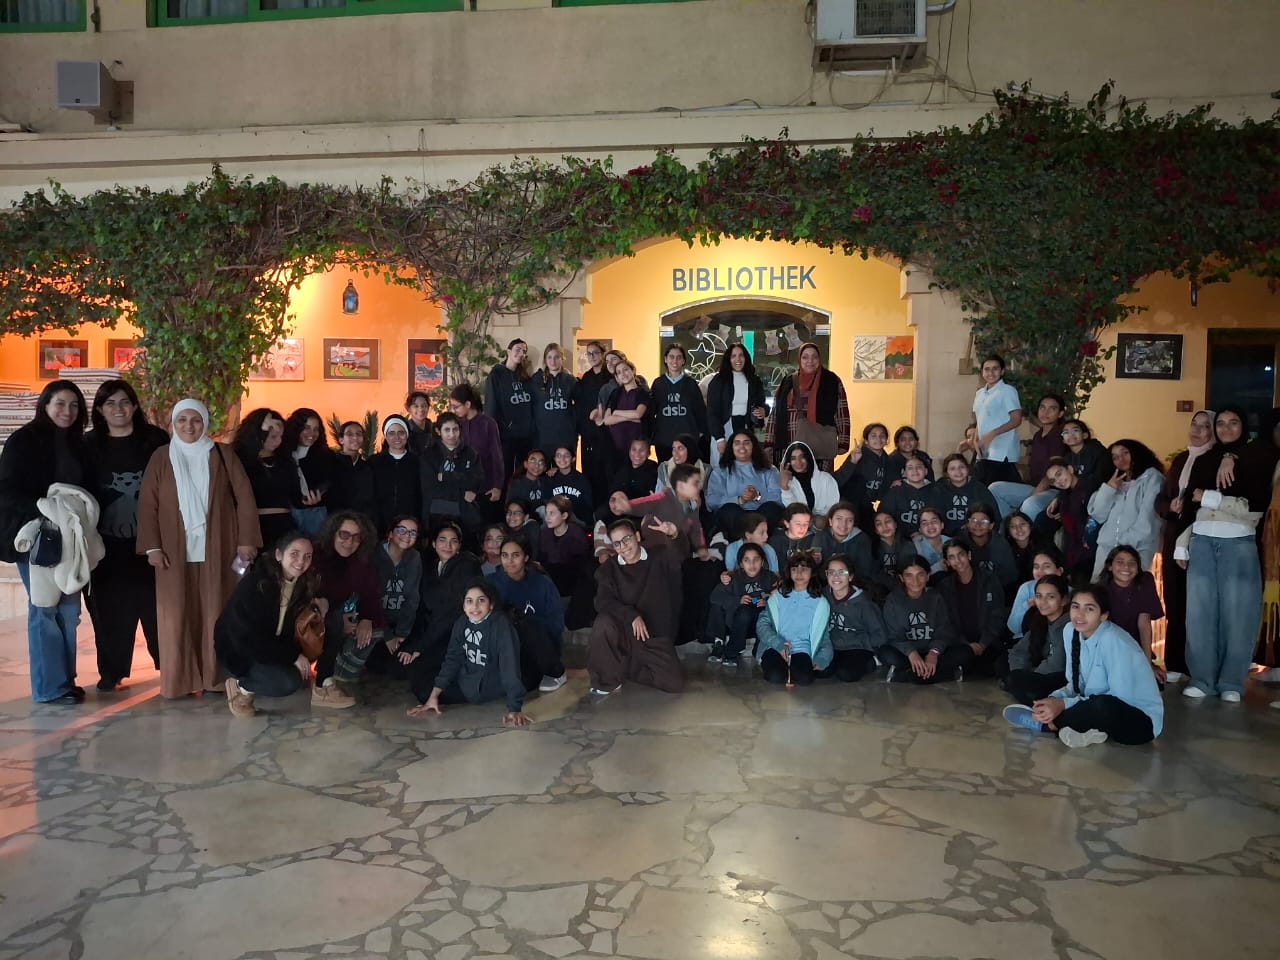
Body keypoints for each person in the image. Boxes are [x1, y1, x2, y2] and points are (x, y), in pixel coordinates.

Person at [138, 398, 261, 699]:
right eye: (182, 420)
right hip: (173, 550)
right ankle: (179, 681)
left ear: (205, 422)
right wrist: (152, 547)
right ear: (173, 424)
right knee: (176, 615)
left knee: (216, 612)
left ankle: (216, 678)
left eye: (195, 420)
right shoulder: (161, 457)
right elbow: (148, 505)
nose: (189, 426)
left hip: (219, 545)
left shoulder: (222, 454)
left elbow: (244, 497)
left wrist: (246, 540)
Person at [0, 380, 96, 704]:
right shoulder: (23, 441)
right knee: (44, 609)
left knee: (69, 611)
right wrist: (45, 507)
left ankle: (64, 681)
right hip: (37, 537)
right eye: (60, 404)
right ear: (45, 405)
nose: (67, 411)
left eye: (74, 405)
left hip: (70, 539)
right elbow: (6, 489)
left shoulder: (79, 444)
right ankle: (49, 688)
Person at [1176, 406, 1278, 702]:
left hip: (1239, 543)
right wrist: (1182, 542)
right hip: (1202, 541)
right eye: (1220, 423)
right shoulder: (1206, 459)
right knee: (1199, 615)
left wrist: (1210, 498)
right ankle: (1202, 679)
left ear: (1245, 426)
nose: (1226, 428)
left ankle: (1231, 682)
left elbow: (1256, 506)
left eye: (1234, 422)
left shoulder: (1259, 457)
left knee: (1239, 616)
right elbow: (1190, 503)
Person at [82, 379, 169, 692]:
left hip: (153, 543)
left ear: (134, 406)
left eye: (124, 402)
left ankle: (172, 668)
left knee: (160, 609)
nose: (118, 409)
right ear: (100, 410)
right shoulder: (88, 445)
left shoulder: (155, 440)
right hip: (105, 545)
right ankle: (112, 671)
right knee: (109, 611)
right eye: (110, 403)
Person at [1003, 583, 1163, 748]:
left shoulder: (1113, 640)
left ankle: (1047, 724)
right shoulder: (1070, 631)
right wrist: (1053, 699)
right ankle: (1066, 721)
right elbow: (1075, 685)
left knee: (1103, 706)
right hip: (1090, 700)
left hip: (1137, 720)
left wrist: (1062, 705)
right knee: (1017, 679)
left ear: (1103, 615)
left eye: (1089, 609)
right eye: (1075, 607)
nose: (1080, 615)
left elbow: (1118, 698)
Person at [216, 530, 318, 717]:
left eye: (307, 556)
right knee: (286, 683)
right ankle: (241, 687)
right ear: (279, 555)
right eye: (294, 554)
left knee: (298, 678)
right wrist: (293, 655)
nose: (301, 561)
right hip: (241, 650)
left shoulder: (303, 585)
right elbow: (251, 637)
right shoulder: (257, 583)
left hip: (269, 647)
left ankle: (253, 681)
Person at [407, 581, 533, 727]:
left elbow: (509, 666)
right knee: (423, 689)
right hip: (468, 682)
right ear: (463, 606)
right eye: (469, 601)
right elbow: (452, 659)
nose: (475, 607)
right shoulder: (462, 623)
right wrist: (433, 696)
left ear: (491, 604)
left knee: (526, 676)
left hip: (493, 683)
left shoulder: (501, 626)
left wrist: (514, 708)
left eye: (481, 600)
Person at [587, 517, 685, 697]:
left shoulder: (659, 557)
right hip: (624, 632)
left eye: (627, 539)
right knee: (603, 623)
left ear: (637, 537)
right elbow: (603, 601)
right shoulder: (608, 569)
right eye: (617, 544)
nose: (623, 547)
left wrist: (674, 535)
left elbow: (679, 554)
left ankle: (627, 667)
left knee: (674, 684)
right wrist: (631, 615)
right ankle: (607, 680)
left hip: (653, 636)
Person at [1154, 409, 1215, 684]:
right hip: (1173, 536)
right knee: (1175, 601)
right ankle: (1175, 662)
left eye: (1205, 426)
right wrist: (1170, 506)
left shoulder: (1215, 461)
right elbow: (1161, 500)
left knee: (1197, 603)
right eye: (1194, 424)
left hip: (1199, 536)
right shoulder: (1181, 459)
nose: (1197, 431)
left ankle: (1197, 666)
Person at [312, 510, 384, 705]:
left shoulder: (361, 561)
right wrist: (323, 609)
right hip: (308, 615)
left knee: (374, 630)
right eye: (344, 534)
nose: (349, 542)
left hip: (338, 614)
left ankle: (340, 671)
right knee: (335, 622)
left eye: (356, 537)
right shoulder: (316, 555)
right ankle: (323, 684)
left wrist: (367, 619)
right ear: (333, 533)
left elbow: (371, 593)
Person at [408, 522, 484, 683]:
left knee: (422, 678)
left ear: (459, 545)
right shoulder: (431, 569)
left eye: (453, 541)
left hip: (457, 633)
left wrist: (421, 646)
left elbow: (451, 612)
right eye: (442, 540)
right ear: (433, 544)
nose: (448, 546)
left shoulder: (466, 566)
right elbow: (423, 609)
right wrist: (413, 641)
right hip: (434, 631)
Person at [487, 537, 567, 692]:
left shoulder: (542, 583)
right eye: (505, 555)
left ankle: (555, 672)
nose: (510, 561)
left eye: (515, 555)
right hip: (505, 647)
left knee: (527, 624)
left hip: (538, 646)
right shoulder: (491, 583)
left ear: (526, 557)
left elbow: (556, 623)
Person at [880, 558, 971, 683]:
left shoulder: (936, 598)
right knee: (886, 653)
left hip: (933, 651)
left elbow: (944, 630)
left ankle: (906, 675)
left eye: (920, 575)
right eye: (909, 576)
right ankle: (946, 674)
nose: (915, 581)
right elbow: (894, 635)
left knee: (965, 652)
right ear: (902, 578)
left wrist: (933, 653)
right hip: (906, 654)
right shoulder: (893, 601)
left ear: (928, 576)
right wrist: (911, 653)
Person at [1088, 439, 1165, 578]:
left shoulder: (1152, 477)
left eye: (1125, 453)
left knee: (1131, 587)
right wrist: (1109, 489)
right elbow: (1098, 515)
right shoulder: (1113, 481)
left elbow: (1148, 518)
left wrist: (1123, 546)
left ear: (1136, 453)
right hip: (1107, 549)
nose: (1121, 459)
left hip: (1138, 548)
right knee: (1101, 588)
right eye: (1115, 457)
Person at [768, 341, 850, 471]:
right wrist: (769, 442)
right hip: (790, 444)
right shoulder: (788, 381)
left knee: (820, 481)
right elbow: (775, 414)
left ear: (819, 359)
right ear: (799, 359)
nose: (810, 361)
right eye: (805, 357)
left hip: (819, 444)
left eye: (814, 357)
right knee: (791, 481)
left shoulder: (831, 381)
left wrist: (843, 442)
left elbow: (841, 411)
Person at [757, 552, 832, 686]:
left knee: (804, 679)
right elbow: (762, 625)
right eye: (794, 569)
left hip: (802, 649)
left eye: (804, 569)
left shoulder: (821, 603)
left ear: (812, 573)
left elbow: (824, 636)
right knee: (775, 676)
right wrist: (778, 644)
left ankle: (792, 670)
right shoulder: (778, 597)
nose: (799, 573)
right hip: (775, 646)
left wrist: (822, 659)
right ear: (789, 572)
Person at [936, 540, 1008, 677]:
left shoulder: (989, 579)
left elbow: (998, 615)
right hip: (960, 645)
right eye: (952, 557)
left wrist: (983, 643)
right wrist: (966, 644)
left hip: (988, 643)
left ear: (968, 555)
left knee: (996, 665)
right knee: (962, 656)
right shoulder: (944, 587)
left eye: (961, 555)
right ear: (947, 562)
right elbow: (946, 622)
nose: (958, 560)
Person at [990, 393, 1066, 521]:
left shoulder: (1059, 436)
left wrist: (1034, 494)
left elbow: (1053, 472)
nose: (1046, 412)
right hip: (1034, 487)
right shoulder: (1038, 435)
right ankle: (1007, 529)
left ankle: (1023, 531)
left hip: (1053, 490)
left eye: (1052, 409)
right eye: (1042, 407)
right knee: (995, 488)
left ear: (1060, 414)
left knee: (1030, 504)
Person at [1098, 544, 1164, 680]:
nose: (1126, 567)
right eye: (1120, 562)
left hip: (1136, 650)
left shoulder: (1145, 582)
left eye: (1132, 563)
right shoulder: (1100, 591)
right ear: (1110, 567)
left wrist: (1147, 664)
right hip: (1109, 651)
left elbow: (1144, 624)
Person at [1004, 573, 1070, 705]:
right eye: (1039, 596)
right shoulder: (1040, 620)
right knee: (1004, 665)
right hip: (1038, 673)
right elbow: (1018, 651)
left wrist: (1030, 675)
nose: (1043, 602)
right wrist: (1021, 671)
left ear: (1063, 600)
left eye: (1050, 597)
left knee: (1014, 680)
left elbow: (1058, 663)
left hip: (1061, 677)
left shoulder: (1068, 625)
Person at [234, 407, 294, 548]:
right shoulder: (239, 460)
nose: (278, 441)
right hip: (253, 526)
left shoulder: (285, 461)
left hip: (284, 526)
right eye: (273, 436)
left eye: (281, 436)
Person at [822, 553, 887, 681]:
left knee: (846, 674)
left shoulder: (864, 603)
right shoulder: (824, 595)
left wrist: (859, 642)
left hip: (857, 647)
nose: (836, 576)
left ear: (850, 576)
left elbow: (880, 636)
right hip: (833, 646)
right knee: (821, 671)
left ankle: (872, 662)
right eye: (831, 572)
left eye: (842, 572)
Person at [708, 542, 774, 666]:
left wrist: (769, 601)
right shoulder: (733, 578)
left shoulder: (770, 578)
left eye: (756, 560)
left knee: (764, 613)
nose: (752, 564)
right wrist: (737, 600)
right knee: (744, 611)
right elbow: (715, 597)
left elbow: (781, 595)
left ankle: (760, 649)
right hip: (737, 624)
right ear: (741, 564)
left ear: (762, 561)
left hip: (759, 625)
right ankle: (732, 651)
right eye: (747, 560)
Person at [419, 412, 485, 534]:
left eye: (455, 429)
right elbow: (429, 488)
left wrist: (445, 477)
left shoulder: (470, 453)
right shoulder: (429, 455)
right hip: (436, 512)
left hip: (465, 514)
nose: (452, 434)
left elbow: (476, 481)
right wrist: (462, 492)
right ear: (438, 431)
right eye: (447, 430)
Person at [705, 430, 784, 534]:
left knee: (772, 509)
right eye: (737, 443)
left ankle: (759, 537)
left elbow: (778, 498)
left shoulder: (768, 470)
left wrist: (757, 497)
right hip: (734, 517)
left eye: (746, 443)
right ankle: (741, 541)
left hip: (761, 515)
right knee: (729, 510)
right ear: (731, 447)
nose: (742, 447)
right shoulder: (720, 471)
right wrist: (739, 500)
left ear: (753, 446)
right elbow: (712, 501)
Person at [374, 516, 424, 669]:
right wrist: (387, 634)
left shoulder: (414, 558)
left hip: (400, 624)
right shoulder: (374, 555)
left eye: (412, 532)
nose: (407, 535)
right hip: (375, 623)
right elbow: (370, 600)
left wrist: (402, 633)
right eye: (402, 530)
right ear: (390, 534)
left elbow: (412, 599)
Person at [967, 354, 1023, 486]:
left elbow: (1016, 419)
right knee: (980, 489)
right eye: (987, 369)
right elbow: (980, 419)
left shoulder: (1007, 391)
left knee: (998, 490)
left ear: (1002, 371)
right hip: (984, 452)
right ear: (982, 372)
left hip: (1002, 451)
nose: (990, 373)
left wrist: (993, 434)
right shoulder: (980, 393)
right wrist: (975, 438)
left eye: (995, 369)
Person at [484, 338, 535, 483]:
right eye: (518, 349)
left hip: (525, 436)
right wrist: (495, 433)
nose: (521, 353)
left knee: (524, 474)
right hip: (506, 436)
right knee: (505, 473)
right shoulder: (496, 375)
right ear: (508, 351)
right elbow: (491, 407)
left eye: (524, 351)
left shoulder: (525, 377)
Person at [706, 343, 768, 459]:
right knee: (723, 466)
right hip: (724, 429)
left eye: (741, 355)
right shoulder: (719, 381)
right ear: (728, 359)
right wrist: (719, 438)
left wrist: (763, 410)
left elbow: (761, 403)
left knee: (746, 464)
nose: (738, 359)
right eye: (733, 356)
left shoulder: (754, 380)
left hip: (746, 428)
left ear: (746, 358)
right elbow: (712, 412)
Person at [651, 343, 709, 463]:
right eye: (671, 357)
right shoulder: (658, 384)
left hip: (688, 442)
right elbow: (651, 412)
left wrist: (700, 434)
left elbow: (700, 412)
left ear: (683, 361)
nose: (675, 361)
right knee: (666, 472)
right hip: (664, 441)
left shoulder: (691, 384)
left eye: (679, 357)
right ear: (665, 359)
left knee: (688, 472)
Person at [449, 384, 504, 508]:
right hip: (462, 485)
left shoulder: (488, 424)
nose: (453, 410)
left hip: (485, 485)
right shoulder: (456, 424)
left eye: (456, 407)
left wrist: (497, 485)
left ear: (467, 404)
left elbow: (496, 456)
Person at [283, 407, 335, 536]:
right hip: (286, 515)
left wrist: (318, 496)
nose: (312, 433)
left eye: (316, 429)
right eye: (306, 428)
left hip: (315, 515)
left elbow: (331, 483)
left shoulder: (326, 455)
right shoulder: (282, 454)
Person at [1044, 458, 1097, 582]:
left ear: (1070, 469)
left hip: (1090, 546)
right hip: (1073, 545)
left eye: (1059, 474)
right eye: (1053, 481)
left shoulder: (1089, 488)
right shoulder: (1065, 494)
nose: (1058, 481)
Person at [370, 414, 423, 536]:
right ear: (386, 436)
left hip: (409, 524)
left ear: (407, 435)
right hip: (379, 524)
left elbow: (421, 495)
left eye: (401, 433)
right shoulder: (374, 462)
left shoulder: (417, 462)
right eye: (391, 433)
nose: (397, 437)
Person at [575, 341, 614, 505]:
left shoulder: (610, 377)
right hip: (588, 433)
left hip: (608, 432)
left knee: (607, 472)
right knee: (589, 472)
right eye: (589, 353)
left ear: (603, 354)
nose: (592, 356)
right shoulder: (586, 378)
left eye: (596, 353)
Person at [834, 422, 889, 530]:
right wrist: (853, 462)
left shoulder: (886, 459)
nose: (878, 439)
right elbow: (839, 478)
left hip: (867, 504)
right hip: (850, 502)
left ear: (886, 440)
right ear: (866, 440)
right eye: (873, 436)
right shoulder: (859, 454)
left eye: (882, 436)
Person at [930, 453, 1000, 537]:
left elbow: (994, 516)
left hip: (976, 536)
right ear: (947, 473)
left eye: (961, 467)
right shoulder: (939, 489)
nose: (958, 471)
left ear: (967, 468)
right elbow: (933, 516)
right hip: (946, 537)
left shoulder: (979, 488)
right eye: (952, 469)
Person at [957, 502, 1019, 594]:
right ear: (968, 524)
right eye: (973, 520)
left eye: (984, 522)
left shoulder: (1001, 544)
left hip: (996, 589)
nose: (978, 525)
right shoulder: (959, 541)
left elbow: (1010, 575)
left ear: (991, 525)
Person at [602, 358, 651, 474]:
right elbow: (607, 420)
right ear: (617, 377)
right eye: (619, 372)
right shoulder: (616, 393)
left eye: (625, 370)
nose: (623, 374)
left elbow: (638, 414)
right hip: (615, 446)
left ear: (633, 370)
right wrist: (630, 417)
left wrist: (616, 413)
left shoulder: (643, 393)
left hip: (636, 449)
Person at [1006, 547, 1067, 640]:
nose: (1040, 571)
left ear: (1059, 571)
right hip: (1024, 639)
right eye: (1036, 567)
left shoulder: (1069, 592)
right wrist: (1027, 605)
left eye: (1046, 566)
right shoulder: (1026, 588)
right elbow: (1013, 628)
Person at [530, 342, 577, 457]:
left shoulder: (570, 381)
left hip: (566, 437)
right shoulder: (536, 380)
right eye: (549, 357)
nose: (553, 361)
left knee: (565, 467)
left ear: (562, 359)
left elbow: (579, 406)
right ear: (545, 360)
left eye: (556, 357)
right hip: (542, 437)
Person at [539, 495, 591, 596]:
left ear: (564, 515)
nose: (547, 518)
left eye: (552, 513)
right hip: (549, 583)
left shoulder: (576, 535)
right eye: (546, 513)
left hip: (570, 588)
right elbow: (542, 558)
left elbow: (578, 568)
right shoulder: (545, 533)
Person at [328, 419, 378, 521]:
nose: (355, 437)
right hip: (336, 521)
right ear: (341, 440)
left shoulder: (368, 467)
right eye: (349, 434)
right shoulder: (331, 464)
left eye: (359, 434)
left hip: (362, 522)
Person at [779, 440, 839, 524]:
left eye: (802, 457)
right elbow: (792, 509)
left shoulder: (825, 479)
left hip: (824, 524)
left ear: (808, 458)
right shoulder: (788, 482)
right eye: (793, 458)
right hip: (799, 525)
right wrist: (784, 487)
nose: (798, 462)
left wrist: (819, 521)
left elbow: (833, 507)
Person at [814, 501, 875, 583]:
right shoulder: (820, 537)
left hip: (852, 584)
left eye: (849, 520)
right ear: (830, 521)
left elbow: (864, 571)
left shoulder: (862, 539)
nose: (844, 524)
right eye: (839, 519)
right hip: (823, 583)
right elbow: (813, 568)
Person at [878, 454, 933, 536]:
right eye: (910, 468)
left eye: (918, 467)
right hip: (900, 538)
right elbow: (884, 516)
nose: (915, 470)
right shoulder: (895, 491)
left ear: (926, 471)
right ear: (904, 473)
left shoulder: (936, 491)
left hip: (930, 536)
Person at [870, 510, 914, 598]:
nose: (884, 526)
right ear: (876, 530)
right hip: (880, 591)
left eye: (888, 521)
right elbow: (874, 574)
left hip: (906, 587)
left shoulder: (907, 545)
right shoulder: (871, 548)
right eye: (879, 524)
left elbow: (910, 570)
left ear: (896, 524)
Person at [547, 445, 594, 521]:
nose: (562, 458)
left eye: (566, 455)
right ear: (554, 459)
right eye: (558, 455)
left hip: (577, 520)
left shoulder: (582, 479)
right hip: (555, 520)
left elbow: (588, 505)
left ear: (573, 459)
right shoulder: (550, 478)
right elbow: (547, 502)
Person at [507, 448, 552, 514]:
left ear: (545, 468)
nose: (537, 465)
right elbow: (510, 506)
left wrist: (555, 470)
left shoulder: (546, 482)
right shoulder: (516, 482)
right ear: (526, 464)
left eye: (541, 462)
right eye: (533, 461)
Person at [910, 506, 951, 576]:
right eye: (924, 523)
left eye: (934, 521)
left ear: (942, 525)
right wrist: (938, 567)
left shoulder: (952, 543)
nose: (930, 525)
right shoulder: (914, 547)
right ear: (920, 529)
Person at [1003, 510, 1039, 587]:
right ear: (1008, 532)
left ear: (1030, 525)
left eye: (1022, 524)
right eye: (1013, 526)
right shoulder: (1005, 550)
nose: (1018, 529)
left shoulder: (1043, 544)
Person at [404, 390, 436, 458]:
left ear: (428, 408)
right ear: (409, 409)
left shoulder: (435, 429)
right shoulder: (405, 431)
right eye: (416, 406)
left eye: (424, 406)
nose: (421, 409)